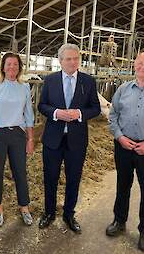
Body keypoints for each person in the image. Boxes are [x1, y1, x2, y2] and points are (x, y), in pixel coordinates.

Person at [38, 43, 100, 233]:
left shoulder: (88, 81)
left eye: (76, 59)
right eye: (68, 59)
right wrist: (56, 112)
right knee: (50, 177)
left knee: (74, 178)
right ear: (60, 61)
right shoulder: (50, 80)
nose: (73, 62)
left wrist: (79, 114)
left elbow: (95, 108)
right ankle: (49, 212)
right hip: (53, 139)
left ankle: (69, 214)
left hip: (77, 140)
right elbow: (42, 105)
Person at [106, 51, 144, 252]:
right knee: (123, 184)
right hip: (124, 146)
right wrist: (119, 137)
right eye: (140, 63)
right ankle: (119, 220)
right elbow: (113, 114)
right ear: (134, 66)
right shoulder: (123, 89)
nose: (143, 67)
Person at [0, 52, 34, 227]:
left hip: (18, 134)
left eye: (15, 64)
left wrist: (30, 138)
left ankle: (24, 207)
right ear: (3, 67)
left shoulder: (25, 87)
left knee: (20, 171)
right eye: (8, 64)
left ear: (19, 68)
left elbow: (28, 114)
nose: (12, 67)